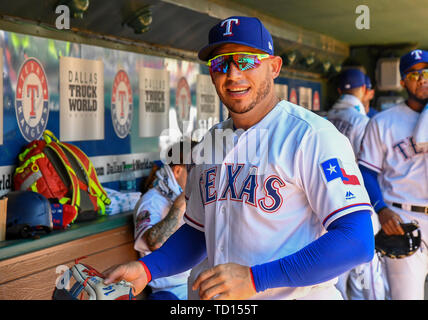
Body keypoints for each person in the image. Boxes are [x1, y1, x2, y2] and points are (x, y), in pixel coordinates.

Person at [104, 16, 375, 300]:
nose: (233, 74)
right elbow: (199, 232)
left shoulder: (311, 135)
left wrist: (256, 279)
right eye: (221, 64)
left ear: (274, 67)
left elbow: (356, 240)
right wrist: (147, 269)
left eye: (246, 61)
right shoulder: (210, 142)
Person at [358, 49, 428, 300]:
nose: (422, 78)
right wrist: (381, 209)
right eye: (414, 74)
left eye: (427, 72)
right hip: (403, 219)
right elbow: (366, 172)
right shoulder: (383, 122)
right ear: (402, 82)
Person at [327, 69, 385, 300]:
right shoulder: (363, 121)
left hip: (328, 210)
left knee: (337, 283)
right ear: (363, 90)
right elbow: (368, 168)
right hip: (358, 206)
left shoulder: (323, 117)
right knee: (368, 282)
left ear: (340, 90)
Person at [133, 141, 193, 300]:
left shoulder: (196, 200)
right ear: (178, 170)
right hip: (169, 291)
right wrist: (181, 202)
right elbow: (155, 242)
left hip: (195, 284)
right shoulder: (152, 200)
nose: (199, 176)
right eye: (194, 171)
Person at [327, 68, 368, 155]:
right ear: (364, 88)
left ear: (339, 90)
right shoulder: (362, 121)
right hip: (352, 168)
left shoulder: (327, 116)